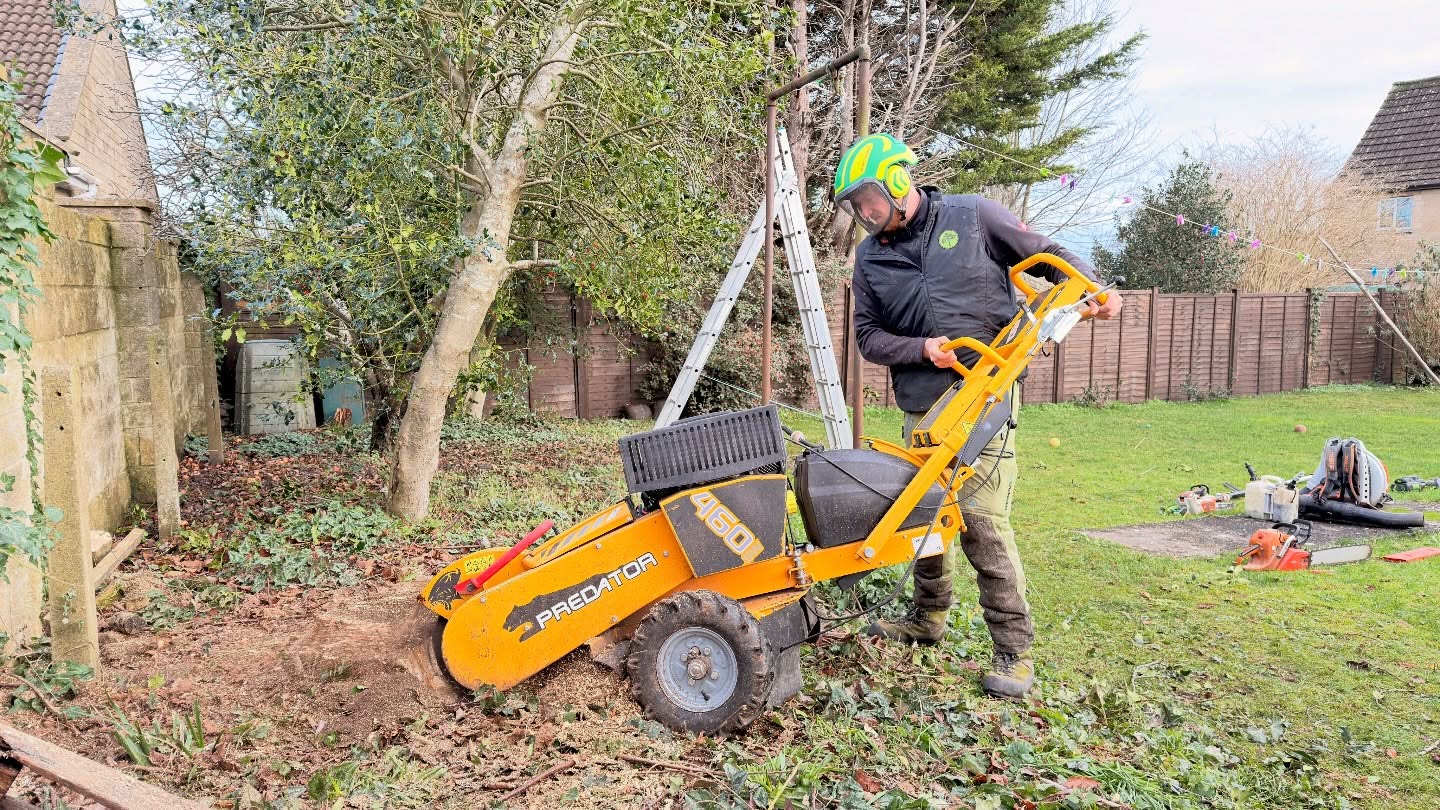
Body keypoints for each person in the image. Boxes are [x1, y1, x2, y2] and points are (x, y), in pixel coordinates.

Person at [832, 133, 1123, 698]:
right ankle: (927, 617)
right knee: (921, 511)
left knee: (981, 520)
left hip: (986, 393)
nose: (864, 214)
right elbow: (868, 337)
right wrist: (922, 349)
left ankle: (1014, 650)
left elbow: (1050, 254)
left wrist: (1094, 290)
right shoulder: (870, 257)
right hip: (923, 402)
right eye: (855, 206)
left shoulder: (974, 217)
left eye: (868, 200)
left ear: (898, 181)